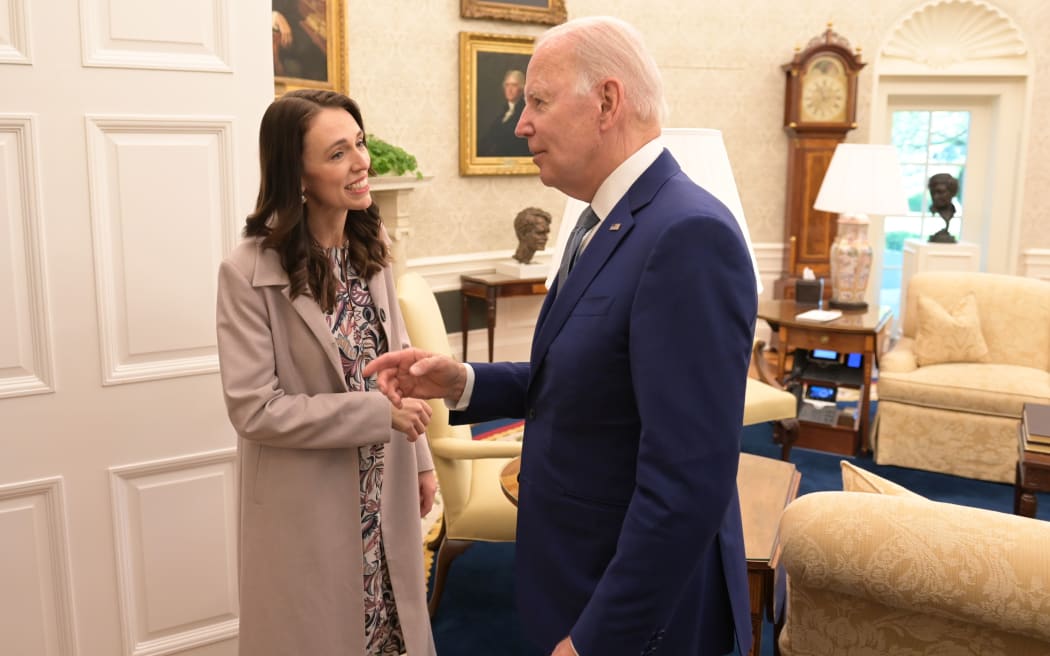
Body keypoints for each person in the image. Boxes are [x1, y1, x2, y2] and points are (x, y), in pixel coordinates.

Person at [365, 16, 756, 656]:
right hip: (577, 577)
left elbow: (687, 483)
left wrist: (597, 639)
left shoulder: (687, 235)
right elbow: (593, 382)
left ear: (606, 101)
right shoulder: (598, 222)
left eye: (538, 103)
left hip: (639, 620)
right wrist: (462, 380)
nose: (521, 124)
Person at [215, 89, 438, 656]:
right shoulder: (247, 271)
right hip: (306, 505)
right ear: (299, 177)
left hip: (383, 483)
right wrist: (376, 414)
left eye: (358, 143)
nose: (362, 162)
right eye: (337, 153)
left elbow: (402, 362)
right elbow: (254, 409)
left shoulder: (373, 246)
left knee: (391, 633)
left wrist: (422, 460)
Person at [478, 69, 531, 157]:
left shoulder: (526, 113)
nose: (509, 89)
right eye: (507, 85)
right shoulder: (502, 114)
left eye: (514, 85)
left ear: (522, 89)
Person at [927, 172, 959, 243]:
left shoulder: (952, 212)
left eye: (940, 192)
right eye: (933, 192)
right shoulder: (933, 208)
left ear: (952, 192)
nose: (935, 197)